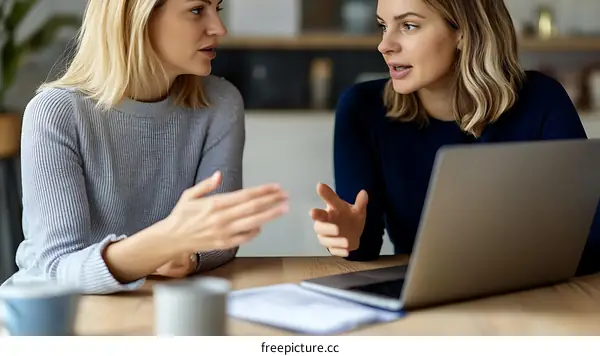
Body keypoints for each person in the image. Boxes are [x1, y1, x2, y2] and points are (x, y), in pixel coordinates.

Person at [2, 0, 289, 295]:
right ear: (137, 17)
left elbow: (217, 237)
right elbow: (58, 269)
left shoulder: (221, 104)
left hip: (154, 301)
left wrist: (190, 257)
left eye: (218, 9)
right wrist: (163, 243)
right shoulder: (56, 112)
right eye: (196, 10)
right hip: (52, 317)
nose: (219, 28)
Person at [310, 0, 600, 275]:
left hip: (535, 296)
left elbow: (593, 238)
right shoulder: (362, 109)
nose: (384, 45)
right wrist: (348, 236)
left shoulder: (541, 100)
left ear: (463, 31)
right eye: (383, 26)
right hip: (425, 300)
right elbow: (365, 245)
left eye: (409, 26)